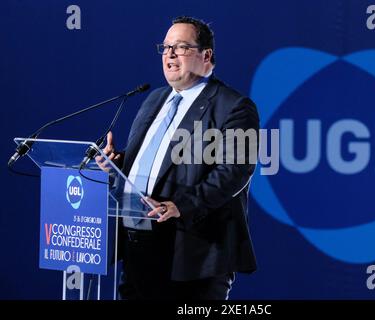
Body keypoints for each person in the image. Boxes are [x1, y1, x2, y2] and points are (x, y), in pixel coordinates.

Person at [100, 16, 259, 300]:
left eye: (181, 47)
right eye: (165, 47)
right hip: (138, 246)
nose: (169, 54)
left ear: (206, 55)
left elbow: (236, 170)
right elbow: (155, 162)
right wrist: (117, 163)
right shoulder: (155, 99)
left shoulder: (234, 106)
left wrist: (180, 205)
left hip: (191, 254)